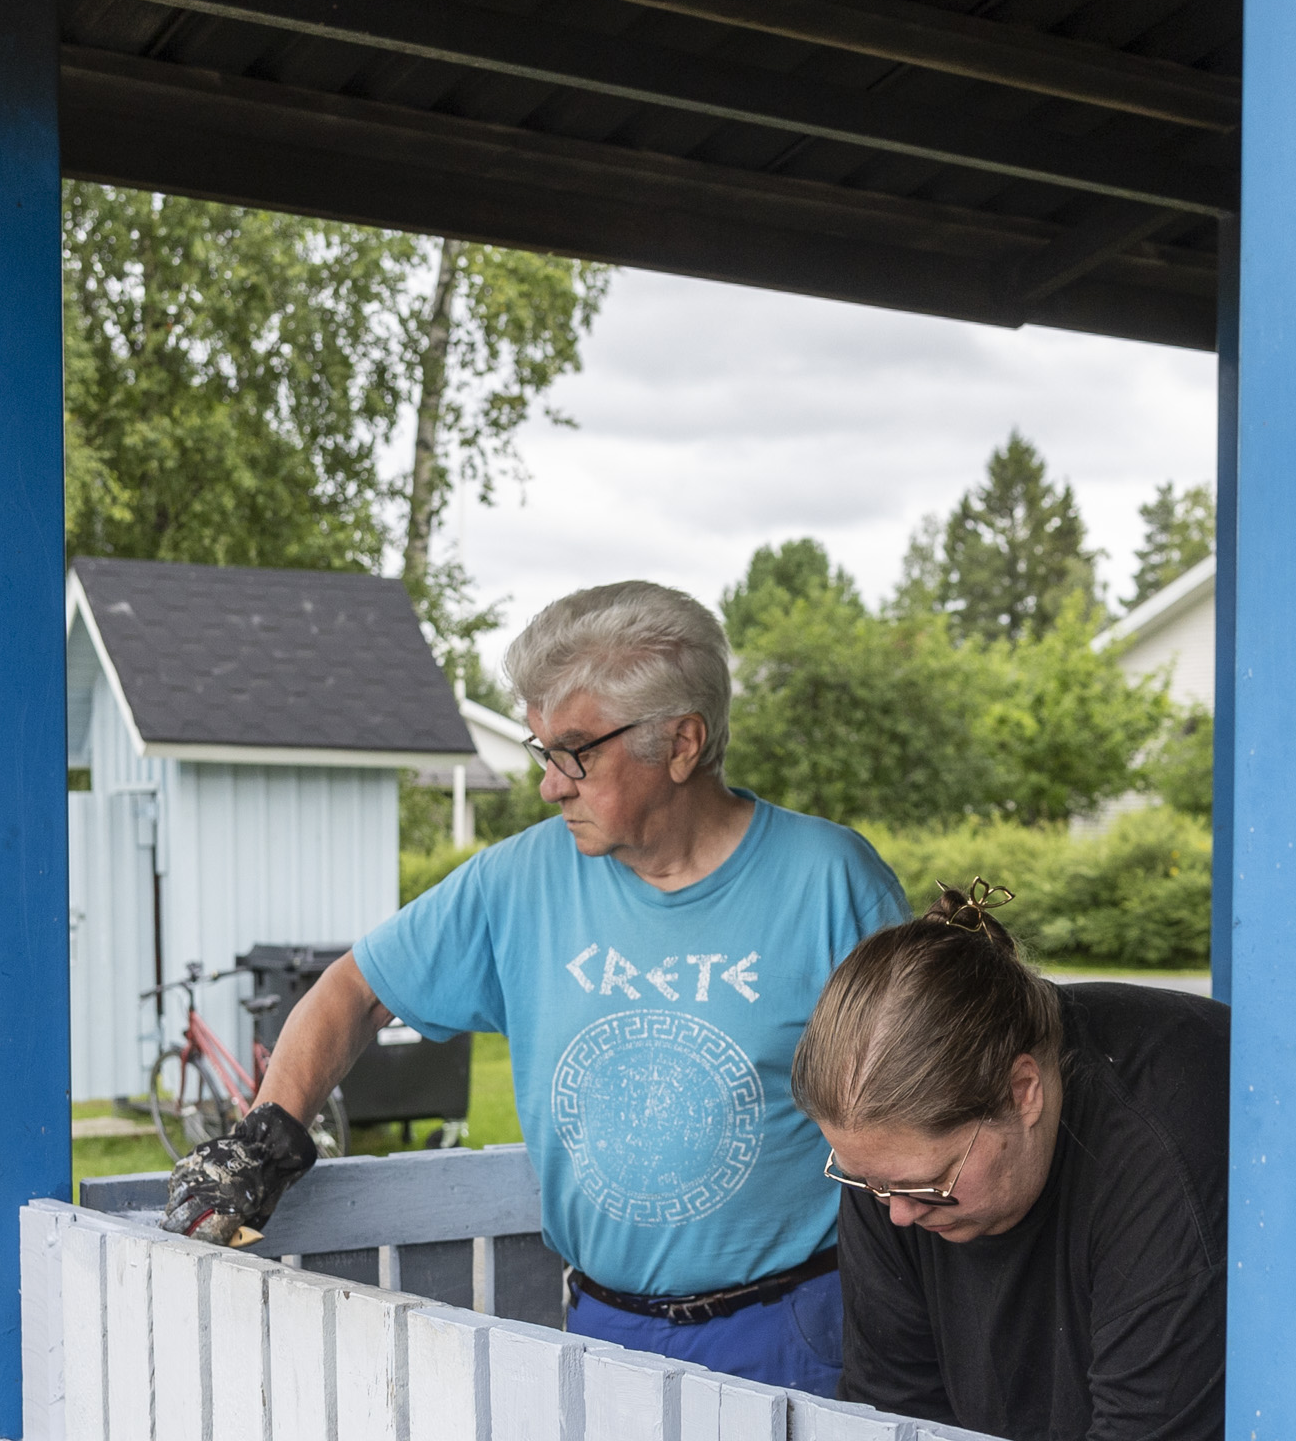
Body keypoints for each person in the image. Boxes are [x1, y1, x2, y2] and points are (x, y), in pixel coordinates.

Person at [162, 580, 907, 1394]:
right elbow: (354, 989)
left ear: (683, 743)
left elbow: (917, 1100)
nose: (552, 784)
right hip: (601, 1325)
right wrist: (269, 1136)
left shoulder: (831, 882)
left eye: (577, 751)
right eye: (542, 749)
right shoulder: (518, 882)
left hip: (794, 1324)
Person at [793, 887, 1296, 1441]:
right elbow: (898, 1425)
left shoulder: (1169, 1157)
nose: (897, 1216)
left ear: (1023, 1092)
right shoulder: (892, 1161)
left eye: (924, 1186)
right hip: (1161, 1294)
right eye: (866, 1183)